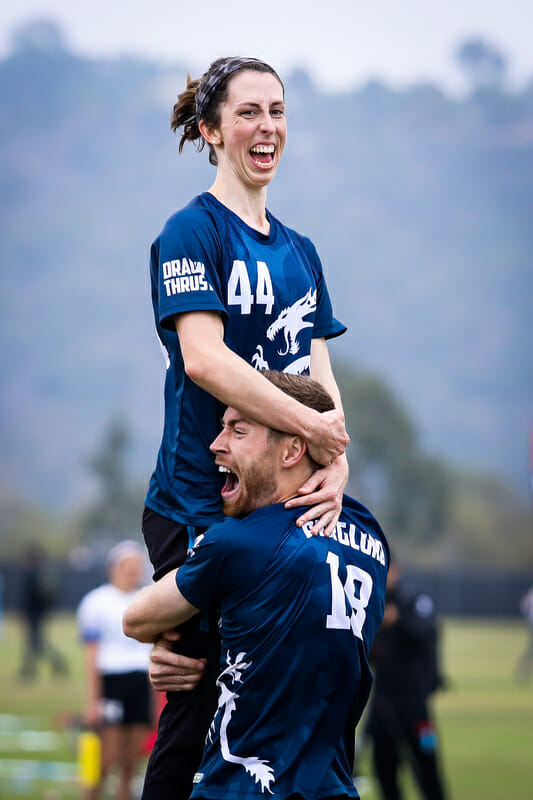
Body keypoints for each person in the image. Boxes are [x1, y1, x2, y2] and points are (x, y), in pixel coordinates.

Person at [142, 56, 350, 799]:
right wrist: (311, 430)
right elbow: (203, 360)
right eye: (248, 113)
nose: (267, 128)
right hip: (200, 503)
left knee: (312, 692)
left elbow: (322, 385)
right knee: (196, 704)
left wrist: (338, 460)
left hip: (285, 513)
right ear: (210, 129)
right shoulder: (189, 233)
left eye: (278, 111)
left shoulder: (302, 252)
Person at [125, 371, 389, 800]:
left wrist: (181, 641)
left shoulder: (240, 543)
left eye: (238, 430)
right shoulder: (372, 538)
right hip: (334, 787)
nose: (217, 443)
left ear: (292, 450)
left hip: (241, 790)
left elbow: (136, 619)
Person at [77, 541, 154, 800]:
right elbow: (92, 655)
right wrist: (94, 700)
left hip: (141, 681)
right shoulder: (96, 602)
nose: (133, 571)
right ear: (114, 568)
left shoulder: (148, 598)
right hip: (112, 682)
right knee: (106, 756)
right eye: (127, 566)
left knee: (132, 760)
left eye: (137, 566)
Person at [366, 558, 447, 800]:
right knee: (383, 768)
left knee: (428, 762)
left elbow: (424, 631)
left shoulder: (415, 600)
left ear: (397, 570)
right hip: (383, 703)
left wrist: (397, 619)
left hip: (417, 707)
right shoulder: (371, 603)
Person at [17, 542, 68, 680]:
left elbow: (30, 597)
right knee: (34, 643)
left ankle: (57, 664)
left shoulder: (32, 574)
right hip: (37, 614)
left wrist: (26, 612)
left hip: (34, 615)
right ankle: (29, 670)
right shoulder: (39, 574)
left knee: (37, 644)